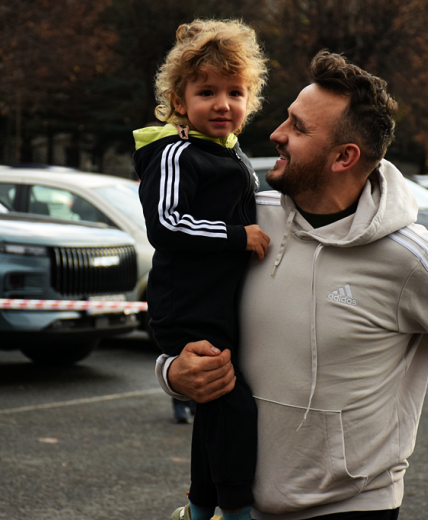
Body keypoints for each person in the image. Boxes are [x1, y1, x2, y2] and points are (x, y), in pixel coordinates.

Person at [159, 51, 428, 519]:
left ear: (344, 157)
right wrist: (172, 372)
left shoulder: (414, 257)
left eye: (297, 127)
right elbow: (183, 308)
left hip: (353, 509)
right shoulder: (248, 221)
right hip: (240, 507)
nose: (276, 134)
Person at [133, 19, 270, 520]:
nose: (222, 103)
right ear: (178, 99)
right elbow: (166, 225)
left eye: (235, 92)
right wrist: (239, 236)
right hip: (187, 306)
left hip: (215, 305)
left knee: (215, 408)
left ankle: (198, 508)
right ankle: (234, 511)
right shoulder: (173, 152)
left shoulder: (230, 153)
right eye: (206, 91)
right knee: (233, 407)